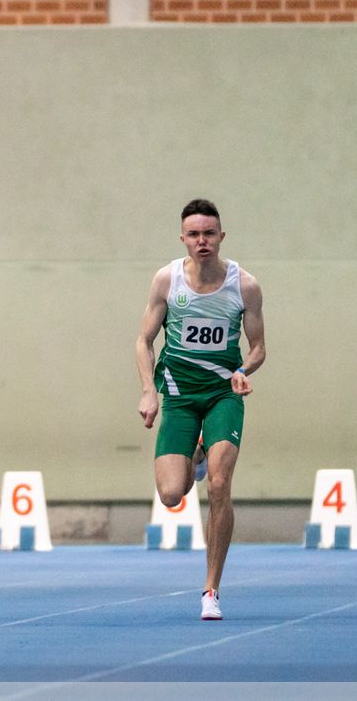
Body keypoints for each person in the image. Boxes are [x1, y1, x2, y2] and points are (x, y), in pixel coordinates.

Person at [136, 199, 266, 621]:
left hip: (223, 394)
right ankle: (194, 455)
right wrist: (148, 391)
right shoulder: (166, 280)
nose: (202, 241)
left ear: (221, 236)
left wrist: (243, 371)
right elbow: (144, 341)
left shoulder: (243, 285)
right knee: (172, 494)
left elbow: (259, 347)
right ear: (183, 239)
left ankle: (211, 589)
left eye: (209, 233)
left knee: (220, 483)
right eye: (194, 234)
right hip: (177, 394)